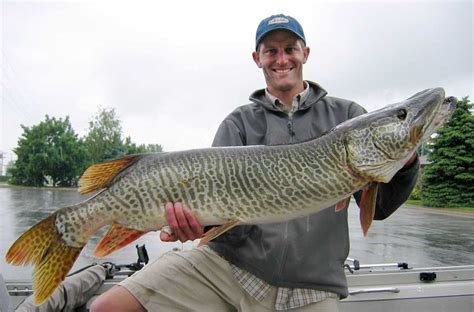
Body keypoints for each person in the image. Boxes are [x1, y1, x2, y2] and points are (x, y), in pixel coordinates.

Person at [91, 14, 419, 312]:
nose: (282, 59)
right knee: (107, 308)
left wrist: (406, 162)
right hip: (229, 270)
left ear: (305, 54)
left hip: (313, 286)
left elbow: (377, 208)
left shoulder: (347, 116)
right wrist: (195, 226)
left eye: (290, 48)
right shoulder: (239, 123)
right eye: (271, 51)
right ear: (257, 58)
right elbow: (220, 211)